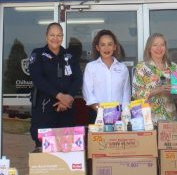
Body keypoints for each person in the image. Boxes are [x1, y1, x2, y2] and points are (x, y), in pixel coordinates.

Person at [28, 22, 82, 151]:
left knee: (66, 149)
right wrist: (59, 96)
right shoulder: (38, 54)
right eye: (52, 35)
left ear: (62, 37)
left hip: (66, 108)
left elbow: (78, 79)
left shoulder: (69, 55)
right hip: (44, 109)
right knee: (44, 148)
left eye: (59, 35)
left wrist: (68, 98)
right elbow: (38, 79)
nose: (55, 38)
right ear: (46, 36)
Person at [82, 29, 131, 124]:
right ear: (98, 48)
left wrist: (123, 114)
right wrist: (101, 112)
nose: (106, 48)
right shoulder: (91, 67)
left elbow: (126, 94)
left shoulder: (123, 68)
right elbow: (88, 93)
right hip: (97, 115)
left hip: (119, 117)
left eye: (109, 44)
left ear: (114, 47)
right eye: (103, 45)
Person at [132, 33, 177, 123]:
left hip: (170, 117)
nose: (159, 48)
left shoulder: (173, 67)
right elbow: (136, 95)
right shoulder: (141, 68)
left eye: (162, 45)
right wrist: (160, 89)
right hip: (148, 118)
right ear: (149, 48)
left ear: (165, 48)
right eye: (155, 45)